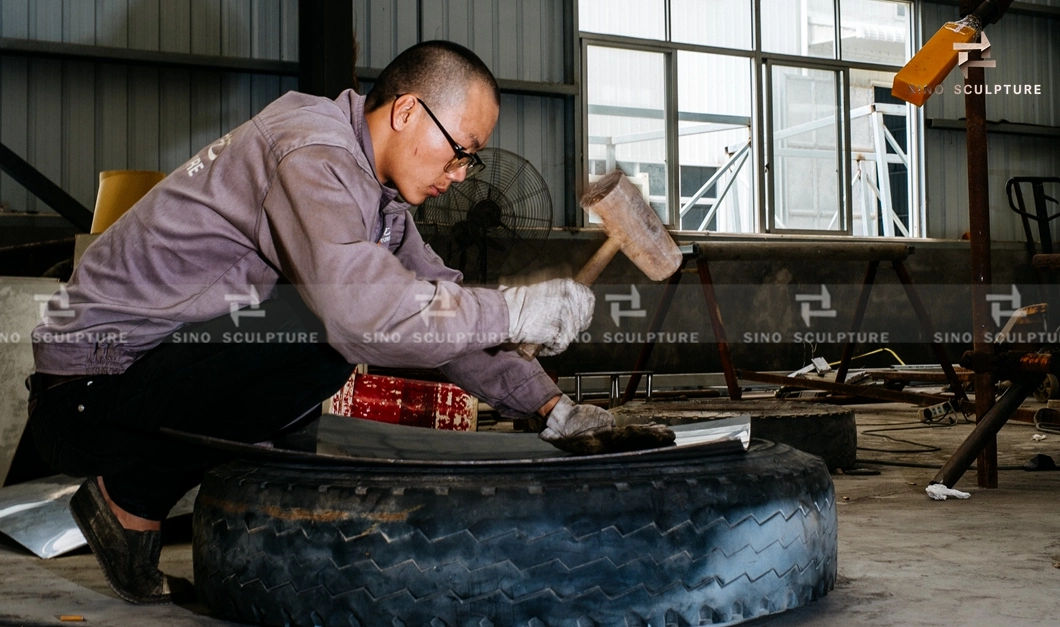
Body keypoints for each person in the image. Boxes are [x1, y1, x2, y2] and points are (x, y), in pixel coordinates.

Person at [26, 40, 632, 605]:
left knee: (352, 322)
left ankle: (147, 496)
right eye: (462, 150)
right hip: (89, 397)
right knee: (327, 328)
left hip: (151, 379)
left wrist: (550, 408)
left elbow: (440, 311)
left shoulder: (378, 197)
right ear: (406, 113)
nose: (461, 174)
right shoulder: (312, 153)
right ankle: (130, 499)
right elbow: (362, 315)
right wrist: (514, 308)